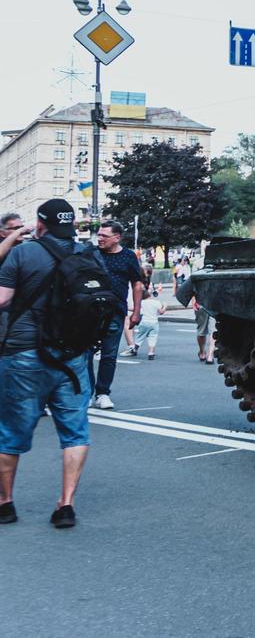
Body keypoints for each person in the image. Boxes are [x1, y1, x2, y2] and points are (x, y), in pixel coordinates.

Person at [0, 200, 96, 528]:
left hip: (24, 353)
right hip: (73, 356)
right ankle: (66, 504)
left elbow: (1, 299)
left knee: (10, 431)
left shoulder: (23, 253)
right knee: (75, 431)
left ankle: (5, 504)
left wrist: (12, 240)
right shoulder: (87, 254)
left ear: (40, 224)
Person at [90, 219, 143, 410]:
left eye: (105, 235)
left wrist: (136, 312)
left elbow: (137, 284)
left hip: (115, 312)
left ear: (117, 238)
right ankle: (87, 391)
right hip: (90, 311)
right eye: (99, 234)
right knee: (85, 353)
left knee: (109, 354)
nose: (100, 238)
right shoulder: (92, 253)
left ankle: (102, 393)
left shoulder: (128, 256)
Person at [178, 276, 214, 364]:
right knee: (213, 331)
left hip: (201, 302)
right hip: (215, 302)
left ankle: (202, 353)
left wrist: (194, 301)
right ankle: (210, 355)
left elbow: (193, 285)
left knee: (201, 329)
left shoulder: (199, 267)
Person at [134, 286, 162, 359]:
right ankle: (151, 352)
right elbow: (161, 312)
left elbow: (136, 309)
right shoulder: (156, 302)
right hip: (154, 322)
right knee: (153, 337)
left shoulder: (141, 302)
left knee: (140, 336)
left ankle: (135, 349)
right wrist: (165, 306)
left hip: (144, 322)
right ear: (150, 295)